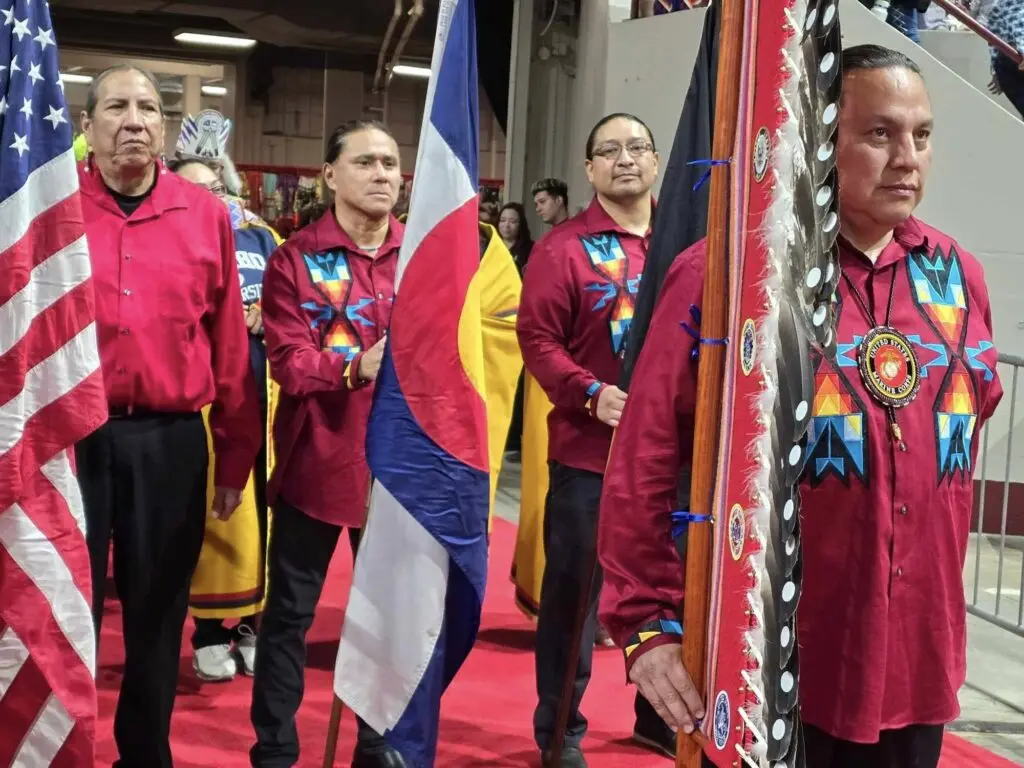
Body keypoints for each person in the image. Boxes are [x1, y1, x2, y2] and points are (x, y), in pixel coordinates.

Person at [598, 45, 1003, 768]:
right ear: (820, 137)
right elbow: (648, 453)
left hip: (918, 662)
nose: (907, 158)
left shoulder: (958, 277)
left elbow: (966, 424)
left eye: (922, 134)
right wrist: (645, 625)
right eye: (879, 134)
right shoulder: (732, 278)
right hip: (774, 663)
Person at [75, 65, 260, 768]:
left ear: (164, 127)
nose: (133, 120)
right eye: (116, 106)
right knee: (67, 605)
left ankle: (144, 753)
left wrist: (235, 455)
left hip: (170, 441)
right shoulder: (53, 209)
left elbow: (229, 345)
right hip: (72, 440)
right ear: (87, 126)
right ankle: (57, 743)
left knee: (157, 613)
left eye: (149, 108)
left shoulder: (205, 213)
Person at [252, 120, 405, 768]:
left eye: (391, 163)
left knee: (390, 621)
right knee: (289, 615)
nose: (381, 174)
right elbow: (287, 359)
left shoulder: (428, 255)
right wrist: (352, 369)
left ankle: (377, 744)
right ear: (330, 175)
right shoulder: (294, 258)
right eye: (365, 161)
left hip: (403, 465)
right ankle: (276, 750)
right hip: (320, 458)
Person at [517, 112, 669, 767]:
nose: (625, 159)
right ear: (589, 170)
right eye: (609, 151)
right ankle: (560, 732)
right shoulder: (563, 249)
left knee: (671, 595)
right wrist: (589, 392)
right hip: (589, 457)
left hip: (674, 460)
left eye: (637, 147)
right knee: (575, 601)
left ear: (657, 160)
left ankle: (660, 716)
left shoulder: (689, 240)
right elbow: (536, 339)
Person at [168, 146, 282, 683]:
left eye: (213, 188)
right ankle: (210, 631)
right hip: (204, 396)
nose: (207, 198)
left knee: (267, 515)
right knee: (218, 514)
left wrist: (270, 315)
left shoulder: (260, 236)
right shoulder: (170, 237)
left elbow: (295, 297)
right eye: (193, 189)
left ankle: (255, 626)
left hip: (264, 392)